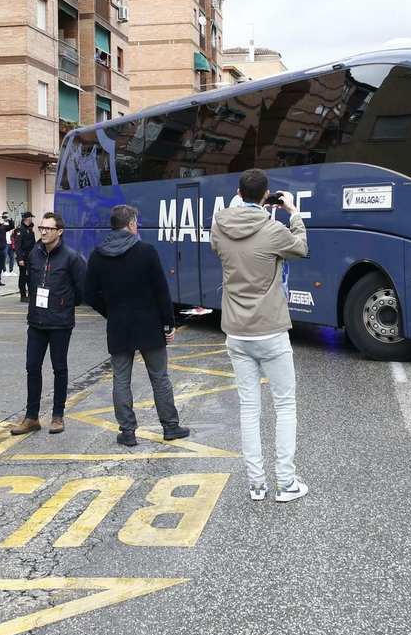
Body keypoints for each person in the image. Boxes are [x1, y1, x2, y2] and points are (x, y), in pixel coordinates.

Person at [210, 169, 310, 503]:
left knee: (248, 409)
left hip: (236, 333)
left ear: (239, 192)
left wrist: (243, 202)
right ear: (267, 197)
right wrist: (293, 212)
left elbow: (226, 231)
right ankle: (286, 483)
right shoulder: (274, 230)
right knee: (284, 406)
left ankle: (257, 485)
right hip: (270, 331)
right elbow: (300, 248)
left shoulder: (219, 226)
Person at [85, 204, 188, 447]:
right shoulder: (146, 251)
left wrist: (110, 312)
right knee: (160, 377)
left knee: (121, 379)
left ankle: (128, 432)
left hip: (119, 326)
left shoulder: (98, 255)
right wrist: (168, 324)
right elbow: (161, 291)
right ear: (131, 225)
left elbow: (88, 293)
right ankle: (170, 427)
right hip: (149, 324)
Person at [11, 212, 88, 435]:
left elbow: (81, 291)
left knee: (59, 368)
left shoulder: (72, 257)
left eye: (48, 229)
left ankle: (57, 416)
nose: (43, 232)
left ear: (59, 232)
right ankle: (32, 417)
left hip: (60, 322)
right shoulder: (34, 254)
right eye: (41, 228)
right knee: (32, 368)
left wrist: (63, 304)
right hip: (36, 321)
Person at [14, 212, 37, 302]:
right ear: (28, 218)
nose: (32, 219)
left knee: (30, 276)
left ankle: (30, 295)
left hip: (30, 256)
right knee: (23, 277)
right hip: (23, 257)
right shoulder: (20, 230)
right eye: (31, 217)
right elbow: (18, 246)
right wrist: (20, 259)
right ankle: (23, 295)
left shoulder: (30, 229)